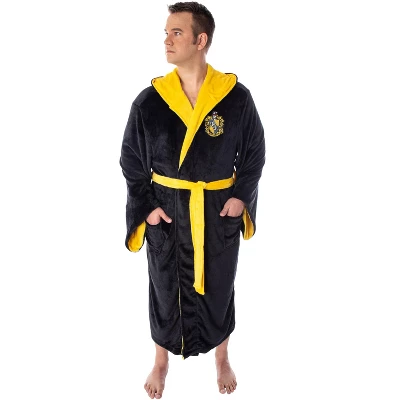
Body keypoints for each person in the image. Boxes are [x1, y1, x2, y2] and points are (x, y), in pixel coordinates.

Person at [119, 2, 265, 398]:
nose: (167, 40)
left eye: (177, 32)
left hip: (217, 210)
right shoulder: (150, 101)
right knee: (164, 286)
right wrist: (147, 209)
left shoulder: (234, 98)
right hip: (168, 212)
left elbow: (254, 152)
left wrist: (241, 198)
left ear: (201, 40)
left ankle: (222, 355)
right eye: (166, 33)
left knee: (220, 283)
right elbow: (131, 159)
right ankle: (160, 360)